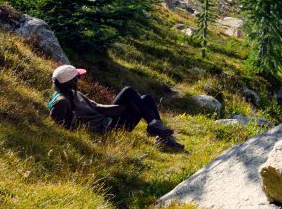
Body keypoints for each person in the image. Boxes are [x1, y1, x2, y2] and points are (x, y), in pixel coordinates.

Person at [47, 64, 184, 151]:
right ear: (71, 81)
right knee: (130, 92)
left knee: (145, 99)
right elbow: (57, 127)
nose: (79, 79)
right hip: (107, 130)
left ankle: (158, 131)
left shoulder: (75, 94)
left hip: (108, 120)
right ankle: (158, 131)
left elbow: (98, 107)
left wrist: (124, 107)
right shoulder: (62, 101)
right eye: (77, 77)